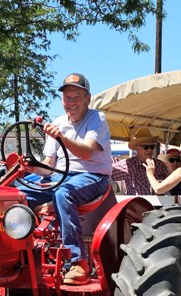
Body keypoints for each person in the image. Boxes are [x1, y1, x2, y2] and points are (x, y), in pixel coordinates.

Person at [19, 73, 112, 285]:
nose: (71, 102)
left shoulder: (97, 119)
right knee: (16, 192)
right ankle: (18, 252)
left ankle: (78, 262)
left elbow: (87, 152)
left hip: (92, 177)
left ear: (88, 98)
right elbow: (49, 166)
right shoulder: (58, 122)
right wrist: (29, 166)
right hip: (60, 176)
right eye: (67, 98)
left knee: (64, 193)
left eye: (76, 97)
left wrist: (61, 137)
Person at [110, 128, 170, 195]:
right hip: (137, 204)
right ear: (137, 148)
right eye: (146, 147)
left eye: (152, 147)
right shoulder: (129, 165)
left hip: (160, 204)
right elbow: (107, 173)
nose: (150, 150)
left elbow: (170, 185)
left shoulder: (160, 165)